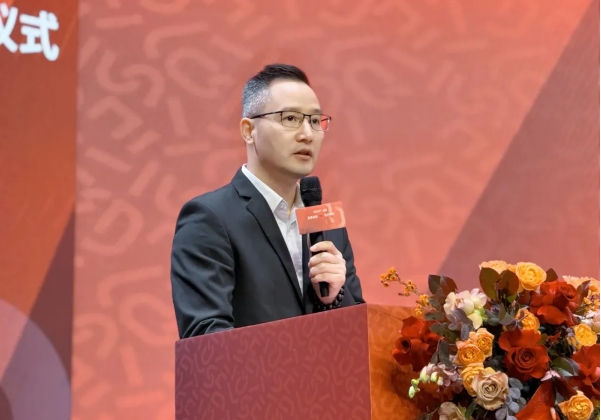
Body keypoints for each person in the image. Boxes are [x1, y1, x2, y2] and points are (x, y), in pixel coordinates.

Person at [170, 63, 365, 338]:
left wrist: (334, 298)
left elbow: (358, 335)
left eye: (314, 121)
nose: (307, 134)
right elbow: (206, 339)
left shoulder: (329, 228)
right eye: (290, 118)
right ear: (248, 130)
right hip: (249, 369)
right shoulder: (210, 218)